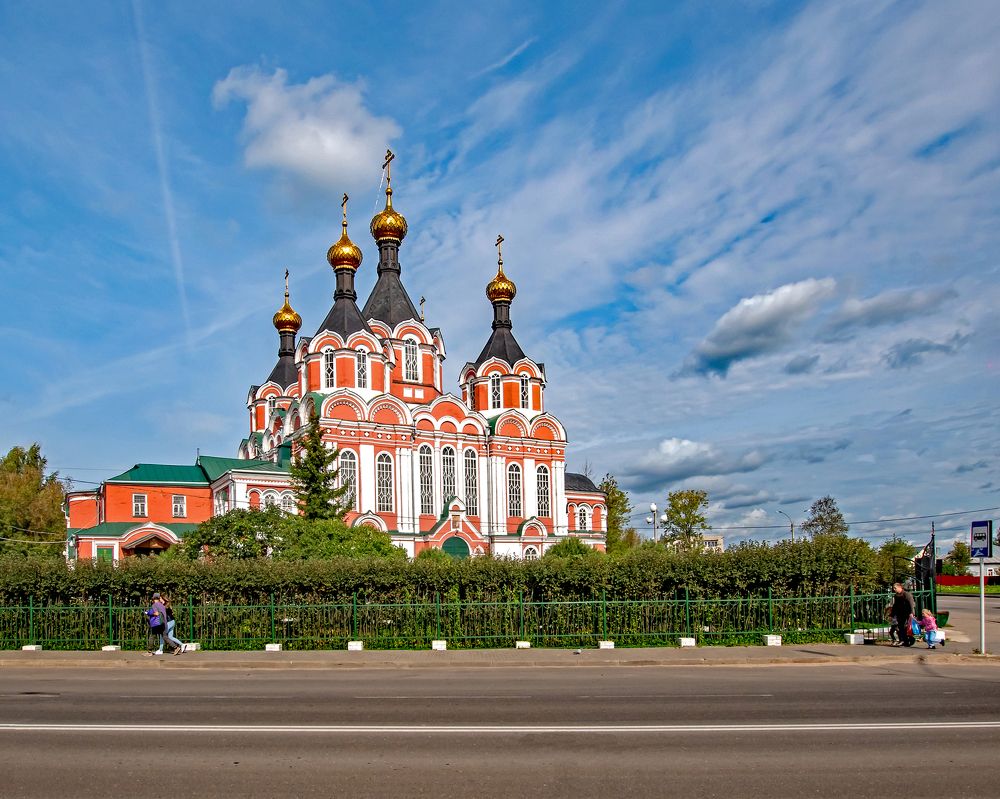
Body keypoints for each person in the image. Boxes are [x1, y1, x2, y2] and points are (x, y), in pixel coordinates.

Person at [890, 582, 915, 647]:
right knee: (901, 627)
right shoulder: (896, 596)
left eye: (895, 588)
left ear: (900, 587)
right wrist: (892, 614)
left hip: (907, 613)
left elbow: (911, 604)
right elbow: (895, 605)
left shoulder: (906, 594)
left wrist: (912, 613)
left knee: (906, 627)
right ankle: (904, 641)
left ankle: (907, 640)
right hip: (900, 613)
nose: (894, 589)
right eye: (893, 588)